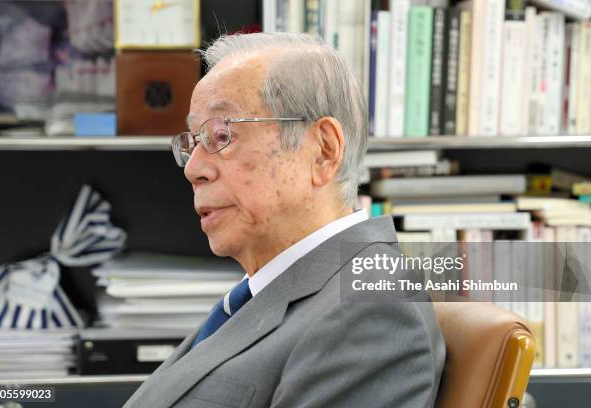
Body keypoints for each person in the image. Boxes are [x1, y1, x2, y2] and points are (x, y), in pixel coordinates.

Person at [123, 32, 445, 408]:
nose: (193, 169)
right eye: (194, 141)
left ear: (323, 151)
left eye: (221, 134)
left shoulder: (371, 314)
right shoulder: (268, 293)